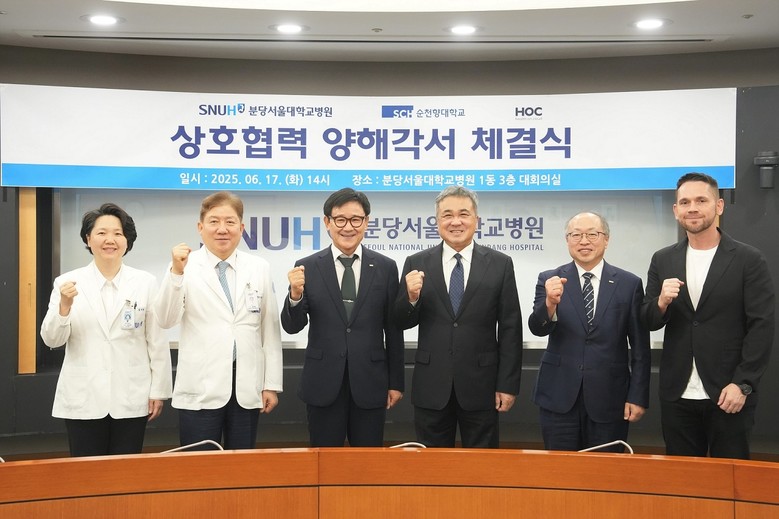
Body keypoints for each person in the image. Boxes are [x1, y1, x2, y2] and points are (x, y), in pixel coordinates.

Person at [642, 172, 775, 459]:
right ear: (676, 210)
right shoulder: (663, 259)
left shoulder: (748, 259)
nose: (692, 208)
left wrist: (743, 384)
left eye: (701, 200)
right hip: (677, 394)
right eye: (685, 202)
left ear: (719, 206)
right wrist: (661, 302)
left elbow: (761, 327)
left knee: (729, 476)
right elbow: (649, 320)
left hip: (728, 393)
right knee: (682, 477)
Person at [394, 186, 522, 448]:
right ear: (437, 221)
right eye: (447, 215)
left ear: (476, 220)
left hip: (482, 386)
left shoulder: (500, 264)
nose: (455, 222)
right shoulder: (416, 262)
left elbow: (511, 328)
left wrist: (507, 385)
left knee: (482, 464)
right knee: (432, 464)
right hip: (431, 385)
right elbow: (400, 321)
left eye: (463, 214)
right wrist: (411, 298)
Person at [40, 203, 172, 457]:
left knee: (126, 472)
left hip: (131, 395)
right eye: (101, 233)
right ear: (88, 239)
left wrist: (159, 390)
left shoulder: (145, 282)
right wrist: (64, 307)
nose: (110, 240)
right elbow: (52, 339)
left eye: (117, 233)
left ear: (127, 241)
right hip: (83, 396)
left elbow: (156, 340)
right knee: (86, 472)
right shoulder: (67, 282)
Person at [154, 191, 283, 450]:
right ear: (200, 227)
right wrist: (176, 273)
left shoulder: (259, 267)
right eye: (214, 221)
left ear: (241, 228)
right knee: (198, 465)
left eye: (230, 222)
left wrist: (271, 384)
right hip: (201, 387)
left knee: (241, 465)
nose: (222, 229)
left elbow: (269, 330)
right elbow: (165, 319)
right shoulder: (183, 266)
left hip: (246, 386)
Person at [281, 188, 404, 447]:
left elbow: (393, 329)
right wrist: (295, 294)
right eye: (340, 219)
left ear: (366, 222)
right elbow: (293, 326)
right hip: (323, 382)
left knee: (368, 462)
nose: (348, 227)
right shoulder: (308, 266)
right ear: (327, 222)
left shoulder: (385, 267)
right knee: (324, 462)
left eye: (356, 219)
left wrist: (396, 383)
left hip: (370, 382)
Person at [528, 212, 650, 452]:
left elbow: (640, 347)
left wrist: (637, 396)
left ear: (606, 239)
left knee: (604, 469)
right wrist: (550, 303)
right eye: (576, 235)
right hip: (559, 396)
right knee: (559, 468)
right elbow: (537, 328)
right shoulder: (550, 279)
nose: (584, 241)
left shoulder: (629, 283)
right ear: (567, 240)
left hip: (609, 397)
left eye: (592, 234)